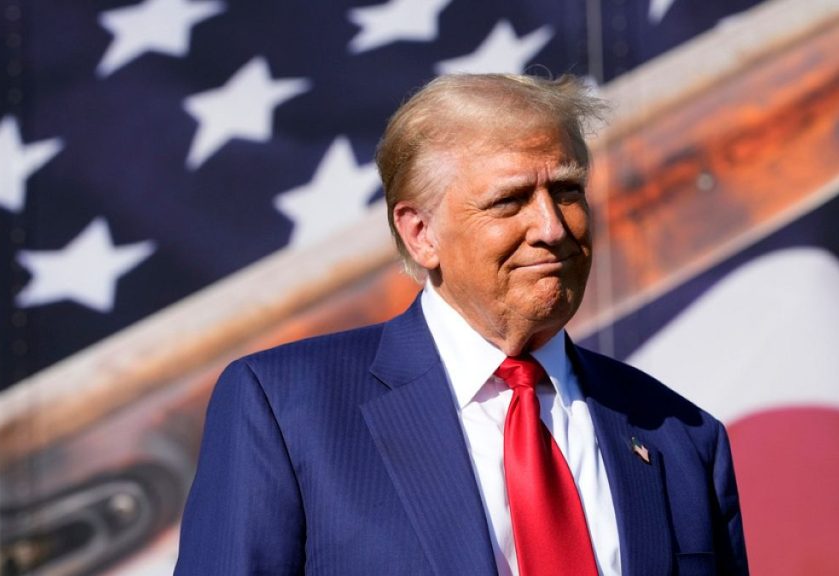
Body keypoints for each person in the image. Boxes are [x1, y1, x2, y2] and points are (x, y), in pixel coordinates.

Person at [175, 73, 748, 575]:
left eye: (567, 191)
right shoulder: (287, 409)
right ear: (421, 233)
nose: (552, 226)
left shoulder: (680, 436)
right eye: (510, 201)